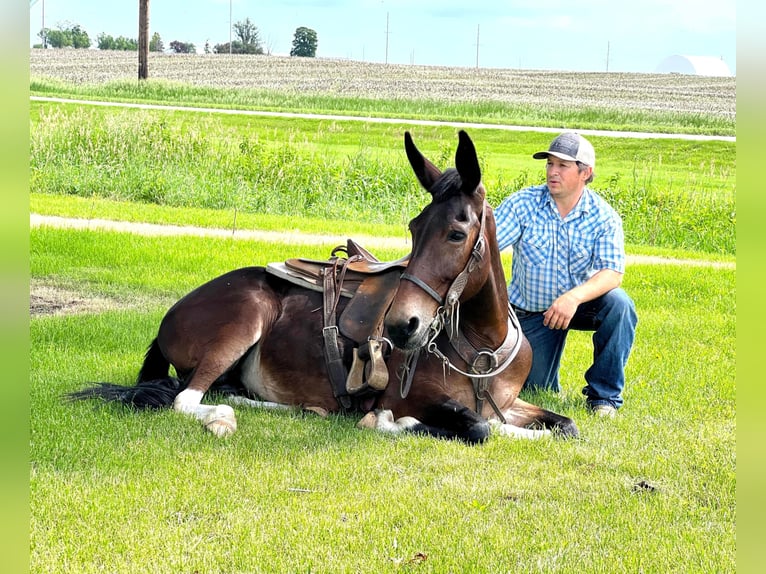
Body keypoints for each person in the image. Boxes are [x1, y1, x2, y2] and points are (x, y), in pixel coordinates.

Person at [493, 132, 637, 417]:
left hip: (581, 305)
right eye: (550, 164)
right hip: (531, 312)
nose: (552, 171)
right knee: (534, 390)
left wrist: (573, 298)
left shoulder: (603, 217)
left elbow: (611, 273)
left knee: (620, 306)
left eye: (562, 165)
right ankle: (545, 369)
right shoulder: (523, 205)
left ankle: (604, 398)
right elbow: (486, 246)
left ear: (586, 173)